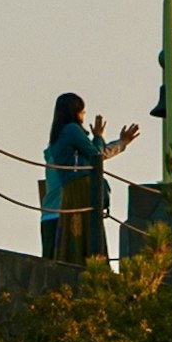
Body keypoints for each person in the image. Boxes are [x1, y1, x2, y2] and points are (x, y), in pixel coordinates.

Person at [39, 86, 137, 267]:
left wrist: (118, 143)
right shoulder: (71, 130)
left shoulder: (56, 143)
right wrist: (100, 137)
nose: (84, 118)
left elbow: (92, 155)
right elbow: (96, 156)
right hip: (74, 200)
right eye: (82, 112)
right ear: (75, 112)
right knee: (85, 251)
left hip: (51, 212)